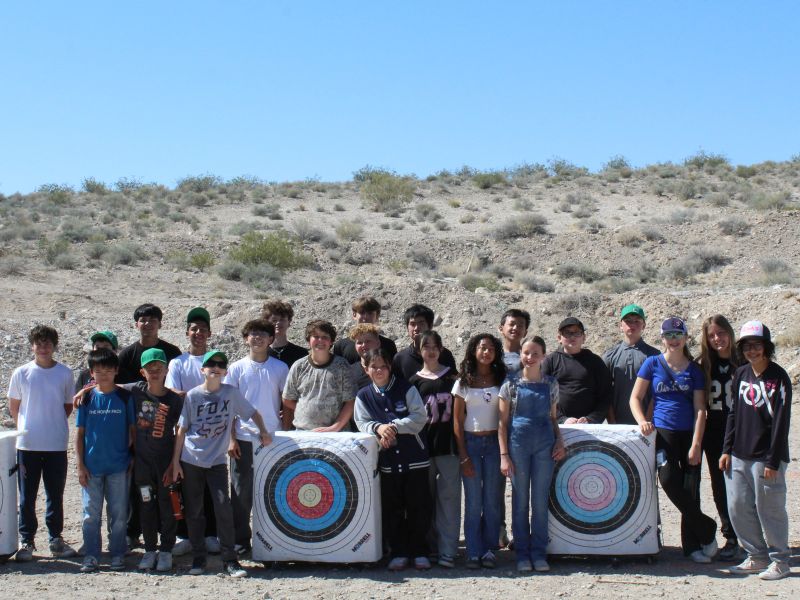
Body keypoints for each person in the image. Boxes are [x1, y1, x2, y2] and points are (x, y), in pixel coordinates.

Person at [169, 350, 272, 578]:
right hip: (191, 460)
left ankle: (230, 559)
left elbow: (253, 413)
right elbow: (182, 430)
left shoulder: (231, 393)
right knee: (194, 511)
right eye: (210, 364)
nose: (215, 367)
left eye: (220, 364)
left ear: (225, 371)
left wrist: (263, 432)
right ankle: (199, 558)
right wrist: (176, 462)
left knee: (223, 506)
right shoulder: (193, 396)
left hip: (216, 462)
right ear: (202, 370)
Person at [630, 317, 718, 563]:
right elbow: (635, 398)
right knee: (668, 480)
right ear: (662, 339)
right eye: (669, 335)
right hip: (664, 434)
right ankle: (706, 527)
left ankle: (692, 547)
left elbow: (701, 409)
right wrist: (642, 421)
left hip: (689, 433)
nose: (674, 340)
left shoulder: (695, 370)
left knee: (691, 490)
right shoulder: (652, 363)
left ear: (686, 338)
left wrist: (696, 444)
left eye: (678, 335)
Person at [720, 321, 792, 581]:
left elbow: (781, 423)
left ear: (767, 347)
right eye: (747, 346)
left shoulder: (779, 377)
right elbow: (733, 414)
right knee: (738, 506)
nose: (752, 351)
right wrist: (726, 449)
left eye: (757, 346)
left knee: (769, 509)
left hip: (767, 458)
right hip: (739, 454)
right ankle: (756, 555)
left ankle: (780, 560)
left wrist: (773, 461)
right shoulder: (740, 374)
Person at [354, 348, 431, 571]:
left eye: (383, 366)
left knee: (418, 507)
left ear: (390, 367)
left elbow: (419, 417)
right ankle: (398, 551)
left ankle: (419, 551)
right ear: (366, 369)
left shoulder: (406, 388)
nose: (379, 370)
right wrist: (379, 429)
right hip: (386, 460)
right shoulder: (363, 395)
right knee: (392, 508)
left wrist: (394, 427)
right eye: (374, 367)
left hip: (414, 458)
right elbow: (362, 423)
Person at [7, 325, 77, 562]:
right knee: (27, 495)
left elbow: (67, 406)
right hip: (28, 445)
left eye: (48, 343)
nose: (43, 347)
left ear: (54, 346)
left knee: (55, 494)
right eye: (39, 343)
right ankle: (26, 540)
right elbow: (14, 405)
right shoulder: (21, 373)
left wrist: (52, 422)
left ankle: (55, 538)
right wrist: (25, 427)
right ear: (32, 346)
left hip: (56, 443)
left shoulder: (65, 373)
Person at [499, 336, 565, 573]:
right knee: (519, 501)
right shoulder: (510, 384)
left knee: (539, 502)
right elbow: (502, 424)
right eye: (526, 353)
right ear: (521, 355)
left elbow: (553, 418)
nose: (530, 357)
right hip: (518, 446)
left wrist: (560, 441)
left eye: (535, 353)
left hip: (544, 446)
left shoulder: (551, 384)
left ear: (543, 356)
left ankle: (539, 553)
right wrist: (504, 454)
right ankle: (522, 555)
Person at [224, 319, 289, 556]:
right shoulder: (236, 368)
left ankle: (274, 540)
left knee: (275, 491)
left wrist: (286, 433)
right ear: (245, 338)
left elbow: (287, 403)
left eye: (263, 334)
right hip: (243, 437)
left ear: (271, 339)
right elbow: (229, 406)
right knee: (241, 493)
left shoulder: (281, 368)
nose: (258, 338)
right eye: (253, 333)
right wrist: (231, 439)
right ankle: (241, 540)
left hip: (273, 438)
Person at [122, 348, 183, 572]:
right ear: (142, 372)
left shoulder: (175, 400)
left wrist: (174, 463)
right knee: (146, 504)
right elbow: (108, 385)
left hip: (166, 463)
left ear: (166, 369)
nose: (155, 371)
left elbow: (180, 432)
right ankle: (149, 549)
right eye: (150, 368)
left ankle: (166, 549)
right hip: (143, 464)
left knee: (168, 505)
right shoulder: (136, 391)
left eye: (159, 367)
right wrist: (85, 390)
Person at [75, 348, 136, 573]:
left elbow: (133, 431)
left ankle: (117, 553)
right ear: (91, 372)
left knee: (119, 513)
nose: (104, 375)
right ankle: (91, 555)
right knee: (91, 514)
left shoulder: (124, 398)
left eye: (109, 370)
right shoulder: (87, 398)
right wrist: (80, 464)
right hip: (91, 467)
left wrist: (132, 456)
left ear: (116, 371)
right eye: (99, 371)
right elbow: (79, 434)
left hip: (119, 466)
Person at [452, 334, 506, 569]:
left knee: (492, 500)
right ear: (474, 351)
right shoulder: (463, 381)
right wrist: (463, 455)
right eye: (482, 348)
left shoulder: (501, 378)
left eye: (491, 348)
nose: (487, 352)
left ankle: (489, 550)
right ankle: (473, 551)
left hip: (495, 443)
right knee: (474, 501)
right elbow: (456, 420)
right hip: (471, 444)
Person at [408, 330, 460, 569]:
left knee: (449, 499)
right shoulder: (413, 382)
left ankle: (448, 549)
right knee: (425, 500)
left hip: (449, 447)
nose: (430, 350)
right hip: (422, 449)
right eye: (425, 345)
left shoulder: (453, 378)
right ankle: (429, 547)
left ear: (441, 349)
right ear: (419, 350)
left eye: (434, 345)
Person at [696, 315, 741, 561]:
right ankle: (731, 536)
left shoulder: (743, 362)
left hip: (740, 433)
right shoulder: (704, 364)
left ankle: (749, 535)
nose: (717, 339)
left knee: (743, 487)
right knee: (719, 485)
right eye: (712, 335)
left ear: (730, 333)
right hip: (713, 434)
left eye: (721, 333)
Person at [282, 320, 357, 432]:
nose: (320, 340)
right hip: (304, 432)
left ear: (331, 341)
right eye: (316, 336)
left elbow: (350, 401)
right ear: (308, 340)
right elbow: (287, 399)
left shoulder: (342, 366)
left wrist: (334, 427)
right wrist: (306, 408)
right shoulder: (299, 366)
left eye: (325, 337)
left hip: (337, 433)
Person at [541, 317, 611, 424]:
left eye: (577, 333)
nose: (572, 336)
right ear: (559, 337)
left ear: (584, 337)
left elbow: (606, 395)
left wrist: (591, 419)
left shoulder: (595, 361)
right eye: (567, 333)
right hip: (558, 427)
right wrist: (562, 419)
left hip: (590, 427)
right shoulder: (550, 361)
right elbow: (542, 394)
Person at [602, 304, 659, 424]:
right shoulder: (610, 356)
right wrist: (612, 422)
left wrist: (647, 420)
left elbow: (657, 393)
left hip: (647, 425)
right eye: (628, 321)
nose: (632, 324)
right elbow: (604, 393)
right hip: (618, 425)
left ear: (644, 325)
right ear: (620, 326)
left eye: (637, 321)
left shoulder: (655, 355)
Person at [117, 304, 182, 384]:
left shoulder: (173, 352)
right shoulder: (126, 355)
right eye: (143, 320)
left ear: (160, 324)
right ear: (136, 325)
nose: (147, 323)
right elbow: (118, 385)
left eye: (152, 320)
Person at [393, 304, 457, 379]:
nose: (416, 328)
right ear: (407, 327)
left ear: (430, 326)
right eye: (412, 324)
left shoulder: (444, 355)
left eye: (421, 323)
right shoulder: (400, 359)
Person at [333, 296, 398, 363]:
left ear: (377, 316)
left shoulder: (389, 345)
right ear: (354, 315)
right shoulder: (340, 346)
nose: (366, 317)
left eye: (370, 313)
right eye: (362, 312)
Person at [166, 307, 212, 396]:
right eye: (194, 329)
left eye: (203, 329)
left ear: (209, 334)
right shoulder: (177, 363)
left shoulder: (216, 362)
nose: (198, 332)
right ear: (187, 333)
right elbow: (171, 390)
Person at [261, 300, 308, 368]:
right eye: (274, 320)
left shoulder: (301, 353)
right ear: (266, 323)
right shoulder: (261, 354)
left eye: (282, 319)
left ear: (289, 322)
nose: (278, 323)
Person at [346, 323, 382, 390]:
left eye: (368, 341)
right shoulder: (348, 372)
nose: (363, 345)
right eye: (359, 342)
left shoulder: (390, 368)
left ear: (378, 343)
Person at [498, 308, 529, 375]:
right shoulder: (492, 355)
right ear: (501, 329)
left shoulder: (530, 357)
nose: (515, 328)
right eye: (511, 324)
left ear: (525, 333)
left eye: (520, 326)